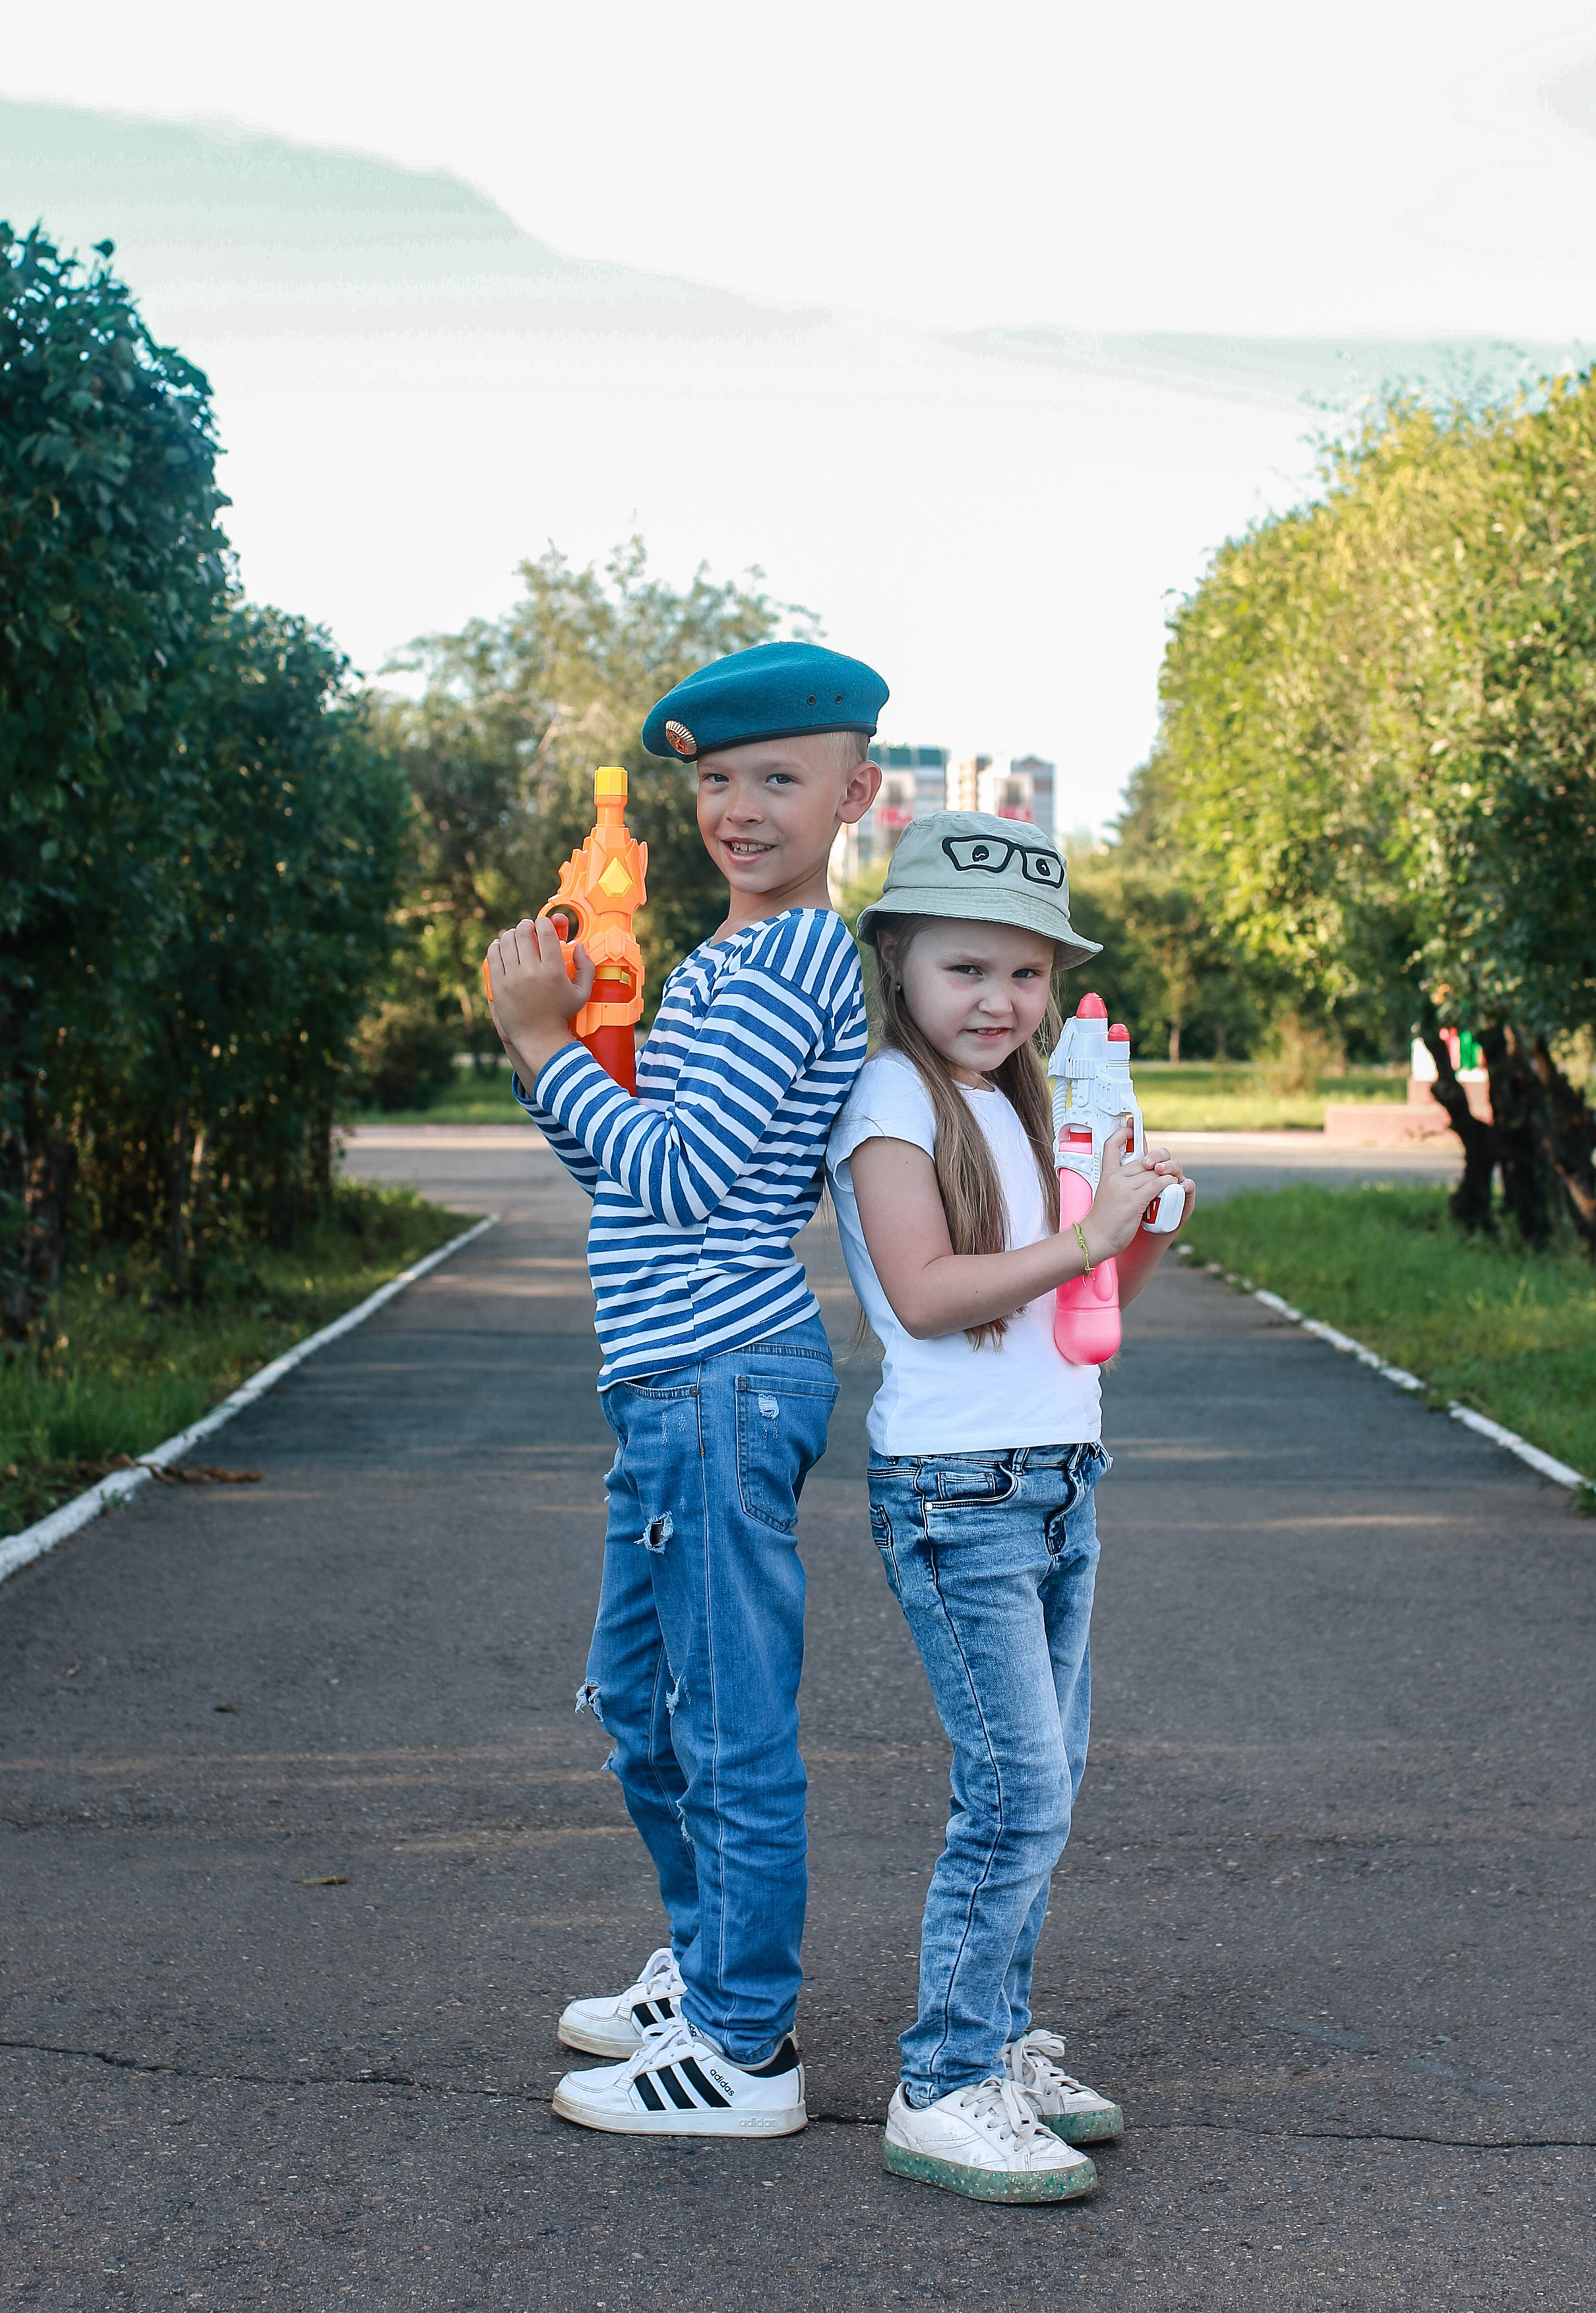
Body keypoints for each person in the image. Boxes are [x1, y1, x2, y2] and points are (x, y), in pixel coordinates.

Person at [483, 640, 885, 2138]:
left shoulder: (789, 964)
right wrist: (568, 1048)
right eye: (715, 779)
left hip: (723, 1375)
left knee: (721, 1719)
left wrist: (537, 1042)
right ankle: (708, 1967)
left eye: (777, 777)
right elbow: (626, 1171)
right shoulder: (718, 960)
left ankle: (744, 2047)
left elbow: (690, 1178)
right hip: (667, 1382)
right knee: (648, 1709)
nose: (739, 805)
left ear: (853, 791)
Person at [824, 811, 1194, 2203]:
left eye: (1025, 975)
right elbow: (924, 1296)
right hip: (954, 1492)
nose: (999, 1001)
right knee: (1013, 1787)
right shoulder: (890, 1102)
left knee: (1050, 1783)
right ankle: (940, 2080)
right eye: (966, 969)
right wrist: (1081, 1234)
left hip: (1055, 1476)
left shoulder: (1032, 1105)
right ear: (899, 963)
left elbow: (1079, 1319)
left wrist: (1134, 1234)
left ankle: (996, 2041)